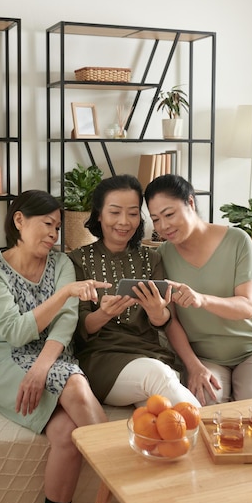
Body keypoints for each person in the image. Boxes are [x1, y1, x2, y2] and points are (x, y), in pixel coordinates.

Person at [145, 174, 252, 503]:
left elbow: (248, 306)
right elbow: (172, 322)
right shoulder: (163, 255)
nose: (163, 227)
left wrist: (203, 299)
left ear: (190, 203)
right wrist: (193, 365)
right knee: (208, 413)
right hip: (205, 355)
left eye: (169, 214)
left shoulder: (237, 240)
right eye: (155, 219)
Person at [0, 190, 111, 503]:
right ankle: (127, 474)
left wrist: (42, 366)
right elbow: (16, 332)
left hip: (51, 356)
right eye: (46, 224)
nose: (54, 234)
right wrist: (65, 293)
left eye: (57, 226)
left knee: (67, 435)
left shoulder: (60, 263)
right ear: (19, 220)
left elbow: (66, 324)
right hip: (5, 360)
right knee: (77, 387)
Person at [68, 174, 200, 410]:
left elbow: (163, 321)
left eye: (132, 213)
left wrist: (157, 312)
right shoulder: (77, 260)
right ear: (99, 214)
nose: (124, 221)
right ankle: (211, 432)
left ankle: (197, 440)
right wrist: (104, 314)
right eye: (115, 212)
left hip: (151, 355)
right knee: (158, 376)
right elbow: (78, 328)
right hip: (101, 360)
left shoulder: (152, 258)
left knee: (159, 412)